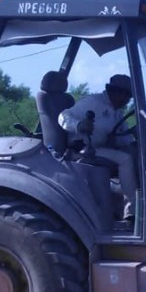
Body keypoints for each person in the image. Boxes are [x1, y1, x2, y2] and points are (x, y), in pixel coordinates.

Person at [58, 74, 137, 220]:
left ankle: (139, 204)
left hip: (100, 149)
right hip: (82, 150)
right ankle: (132, 210)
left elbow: (122, 138)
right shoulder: (93, 102)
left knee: (136, 154)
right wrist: (79, 125)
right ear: (115, 92)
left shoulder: (117, 111)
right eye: (126, 96)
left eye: (129, 97)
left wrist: (134, 134)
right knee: (125, 159)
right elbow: (64, 115)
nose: (127, 101)